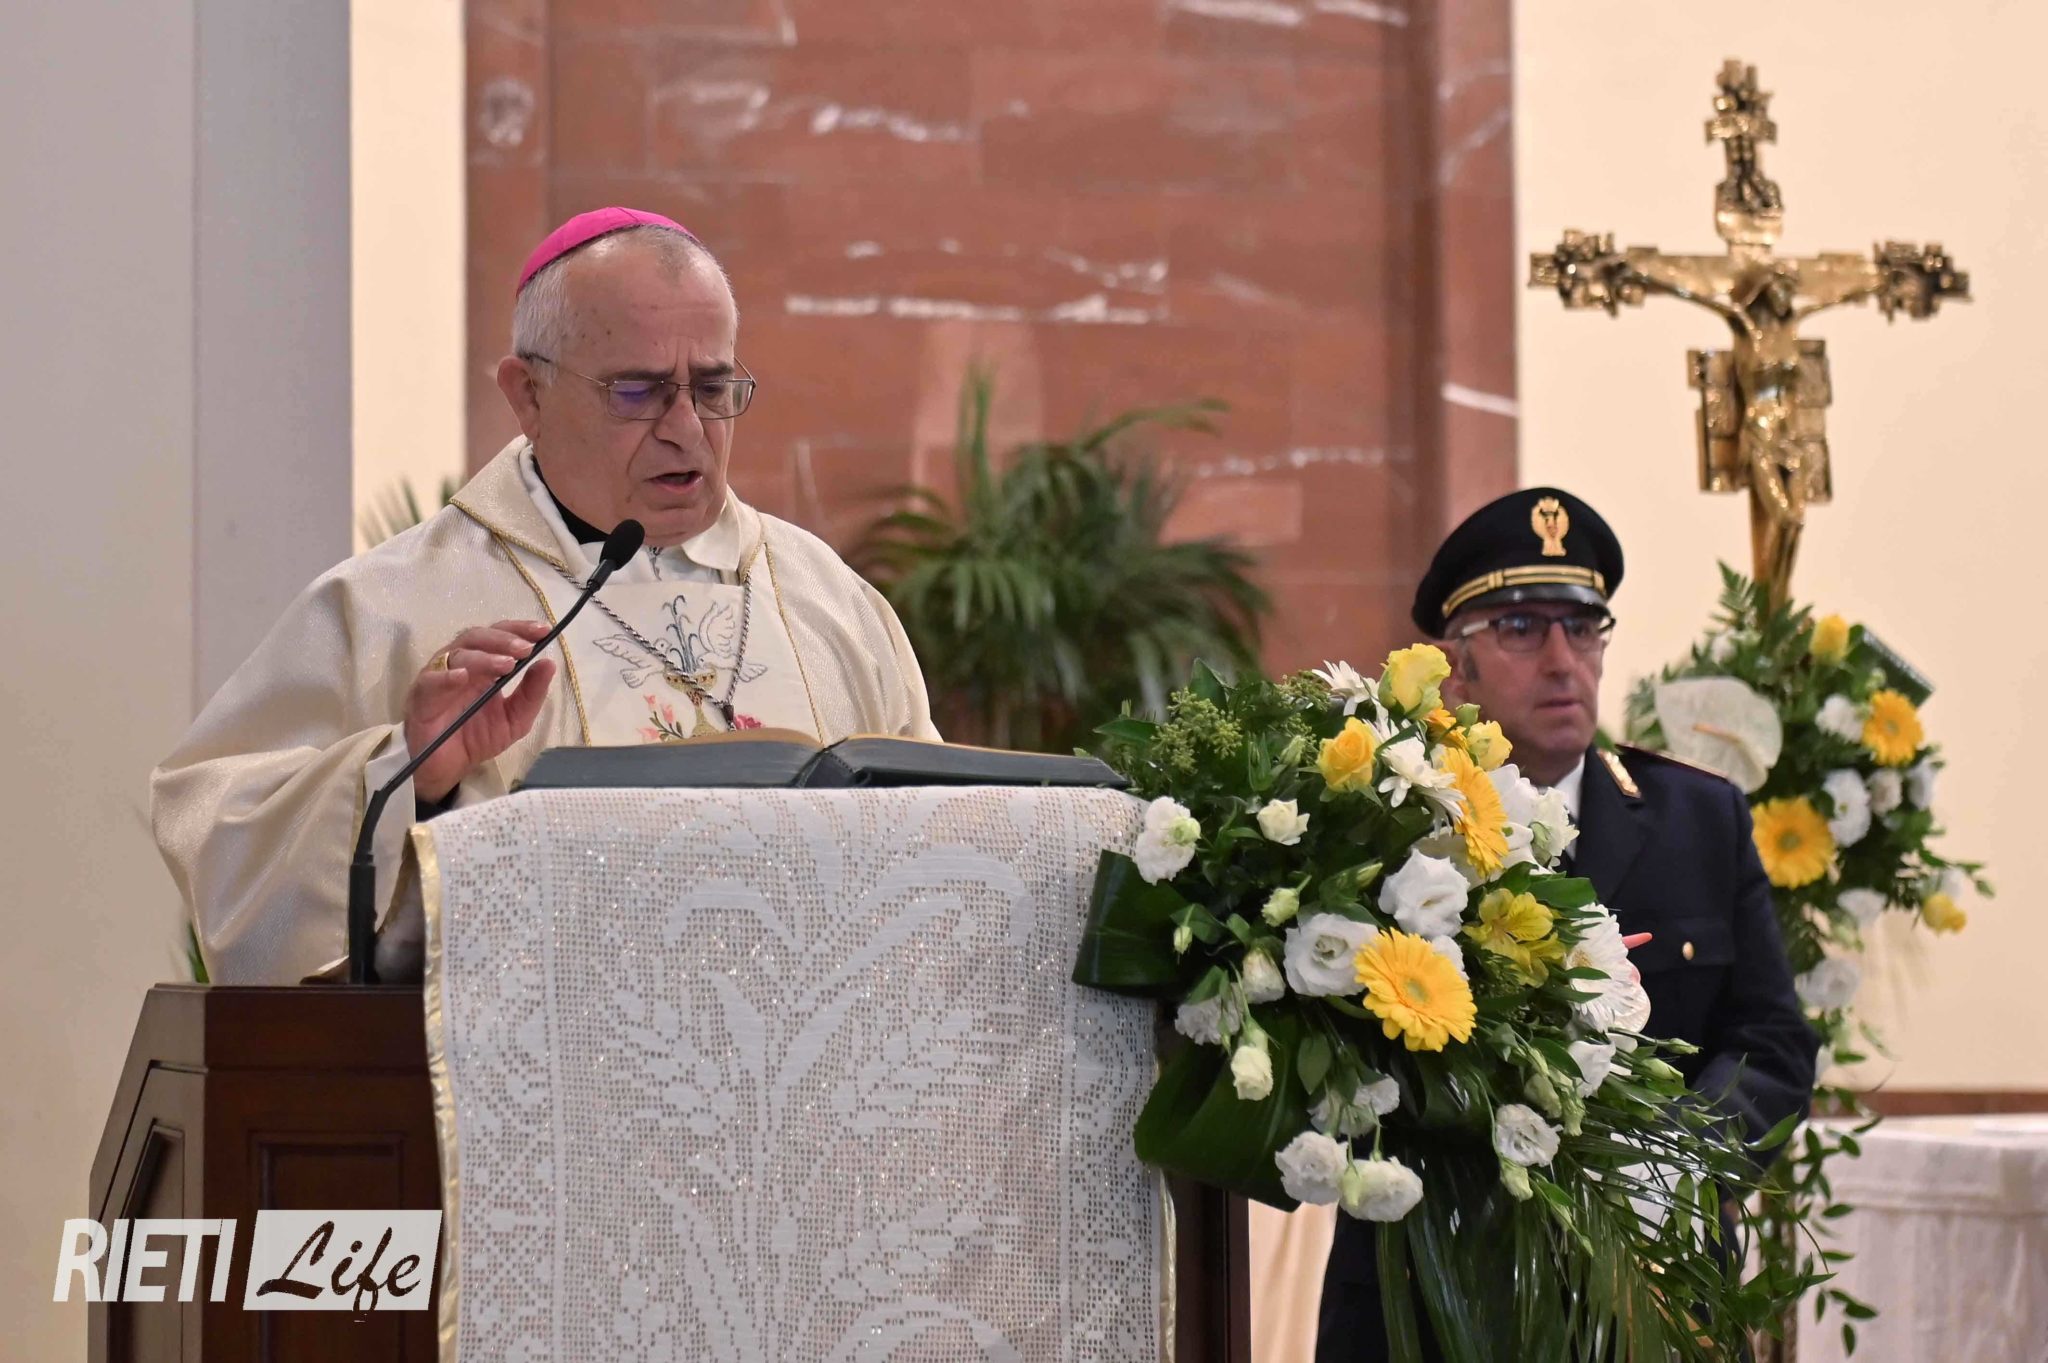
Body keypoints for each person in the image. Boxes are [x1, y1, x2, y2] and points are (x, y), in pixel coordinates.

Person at [153, 207, 937, 984]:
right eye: (638, 391)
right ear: (527, 395)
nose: (687, 429)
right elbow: (223, 833)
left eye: (712, 387)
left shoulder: (828, 603)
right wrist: (412, 773)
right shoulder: (391, 607)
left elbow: (940, 847)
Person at [1315, 486, 1817, 1360]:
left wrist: (1675, 1161)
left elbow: (1772, 1042)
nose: (1561, 661)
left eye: (1582, 628)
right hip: (1429, 1294)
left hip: (1654, 1289)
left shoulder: (1700, 819)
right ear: (1456, 668)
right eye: (1521, 628)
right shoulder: (1385, 825)